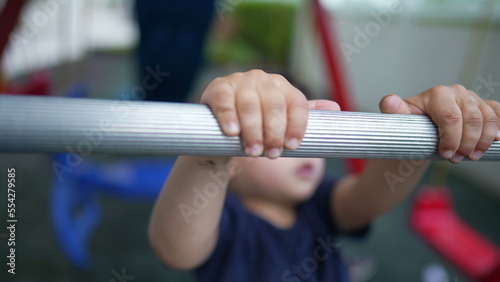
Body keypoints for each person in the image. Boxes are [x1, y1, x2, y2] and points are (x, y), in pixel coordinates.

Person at [148, 70, 500, 282]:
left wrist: (420, 132)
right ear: (231, 161)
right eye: (280, 136)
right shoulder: (224, 224)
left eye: (310, 135)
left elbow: (370, 198)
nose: (305, 149)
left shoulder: (317, 203)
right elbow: (176, 248)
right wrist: (213, 144)